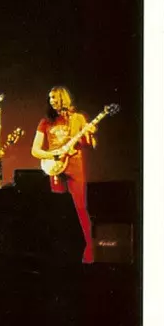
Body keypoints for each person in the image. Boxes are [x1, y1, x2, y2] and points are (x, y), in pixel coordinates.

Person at [31, 86, 96, 264]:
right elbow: (35, 150)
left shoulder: (78, 118)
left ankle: (88, 255)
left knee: (79, 208)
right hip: (55, 167)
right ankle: (61, 253)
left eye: (54, 97)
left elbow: (89, 144)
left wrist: (89, 135)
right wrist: (52, 154)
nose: (51, 101)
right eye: (49, 98)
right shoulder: (45, 122)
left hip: (75, 167)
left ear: (63, 98)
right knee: (57, 209)